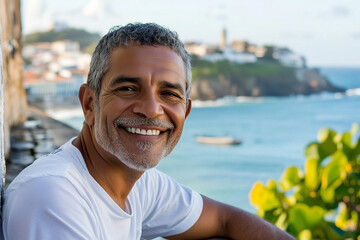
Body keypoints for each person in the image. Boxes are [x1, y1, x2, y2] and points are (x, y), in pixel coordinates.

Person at [3, 23, 295, 240]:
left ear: (186, 112)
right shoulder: (52, 196)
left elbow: (225, 219)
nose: (152, 109)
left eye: (169, 94)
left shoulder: (140, 185)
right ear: (89, 104)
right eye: (128, 88)